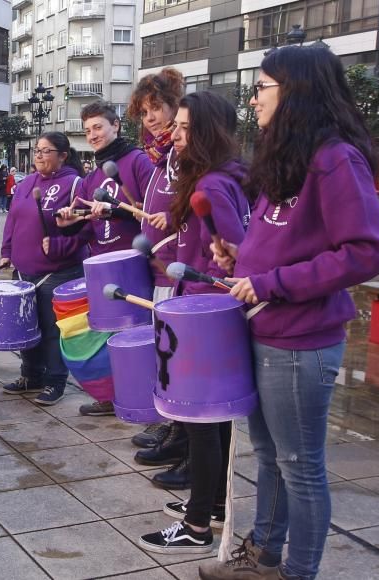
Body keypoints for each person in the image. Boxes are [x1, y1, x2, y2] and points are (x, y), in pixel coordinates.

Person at [199, 46, 379, 580]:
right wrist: (242, 258)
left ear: (296, 92)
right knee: (270, 457)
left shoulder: (335, 159)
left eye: (262, 87)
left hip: (302, 341)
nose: (253, 98)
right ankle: (263, 557)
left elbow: (367, 250)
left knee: (300, 468)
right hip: (266, 329)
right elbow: (288, 240)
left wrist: (272, 281)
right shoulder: (289, 159)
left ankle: (296, 572)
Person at [136, 91, 250, 554]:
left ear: (207, 132)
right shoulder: (211, 179)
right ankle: (213, 505)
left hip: (207, 313)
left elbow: (240, 253)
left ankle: (198, 524)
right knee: (213, 421)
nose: (174, 135)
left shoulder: (213, 186)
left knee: (202, 420)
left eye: (183, 128)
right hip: (205, 309)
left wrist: (221, 266)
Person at [58, 100, 153, 417]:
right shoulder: (92, 176)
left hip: (134, 268)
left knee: (137, 338)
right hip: (102, 269)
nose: (93, 134)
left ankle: (143, 401)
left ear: (116, 125)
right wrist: (71, 224)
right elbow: (89, 229)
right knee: (106, 339)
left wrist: (116, 211)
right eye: (87, 130)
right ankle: (112, 397)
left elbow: (153, 217)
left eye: (98, 127)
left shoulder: (138, 162)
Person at [124, 68, 188, 468]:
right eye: (144, 111)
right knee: (168, 359)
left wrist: (176, 221)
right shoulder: (160, 158)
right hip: (159, 270)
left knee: (179, 359)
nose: (150, 118)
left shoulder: (184, 156)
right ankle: (174, 428)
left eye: (157, 109)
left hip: (179, 272)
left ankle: (184, 437)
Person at [0, 131, 87, 405]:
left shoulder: (75, 185)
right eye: (37, 150)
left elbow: (85, 229)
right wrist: (6, 253)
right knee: (26, 326)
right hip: (24, 271)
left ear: (63, 155)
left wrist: (62, 241)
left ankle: (55, 381)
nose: (38, 155)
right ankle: (31, 374)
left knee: (52, 330)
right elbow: (12, 220)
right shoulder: (26, 184)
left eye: (45, 151)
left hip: (57, 271)